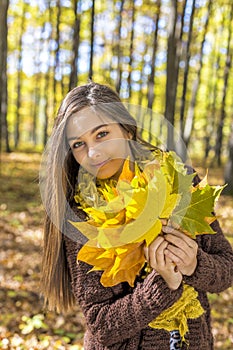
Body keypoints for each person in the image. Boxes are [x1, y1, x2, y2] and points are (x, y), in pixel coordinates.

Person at [40, 81, 233, 350]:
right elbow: (101, 325)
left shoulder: (181, 182)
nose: (93, 152)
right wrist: (165, 283)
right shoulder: (81, 215)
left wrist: (194, 265)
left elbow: (227, 268)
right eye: (78, 144)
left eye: (102, 134)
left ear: (127, 129)